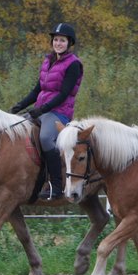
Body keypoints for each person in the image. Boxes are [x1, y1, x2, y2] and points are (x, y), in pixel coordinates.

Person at [11, 23, 83, 200]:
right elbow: (38, 90)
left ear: (69, 43)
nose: (58, 43)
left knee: (44, 138)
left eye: (62, 40)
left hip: (59, 112)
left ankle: (56, 186)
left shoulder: (74, 65)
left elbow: (64, 94)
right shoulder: (48, 61)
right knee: (16, 129)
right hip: (42, 110)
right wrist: (19, 106)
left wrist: (41, 109)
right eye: (56, 40)